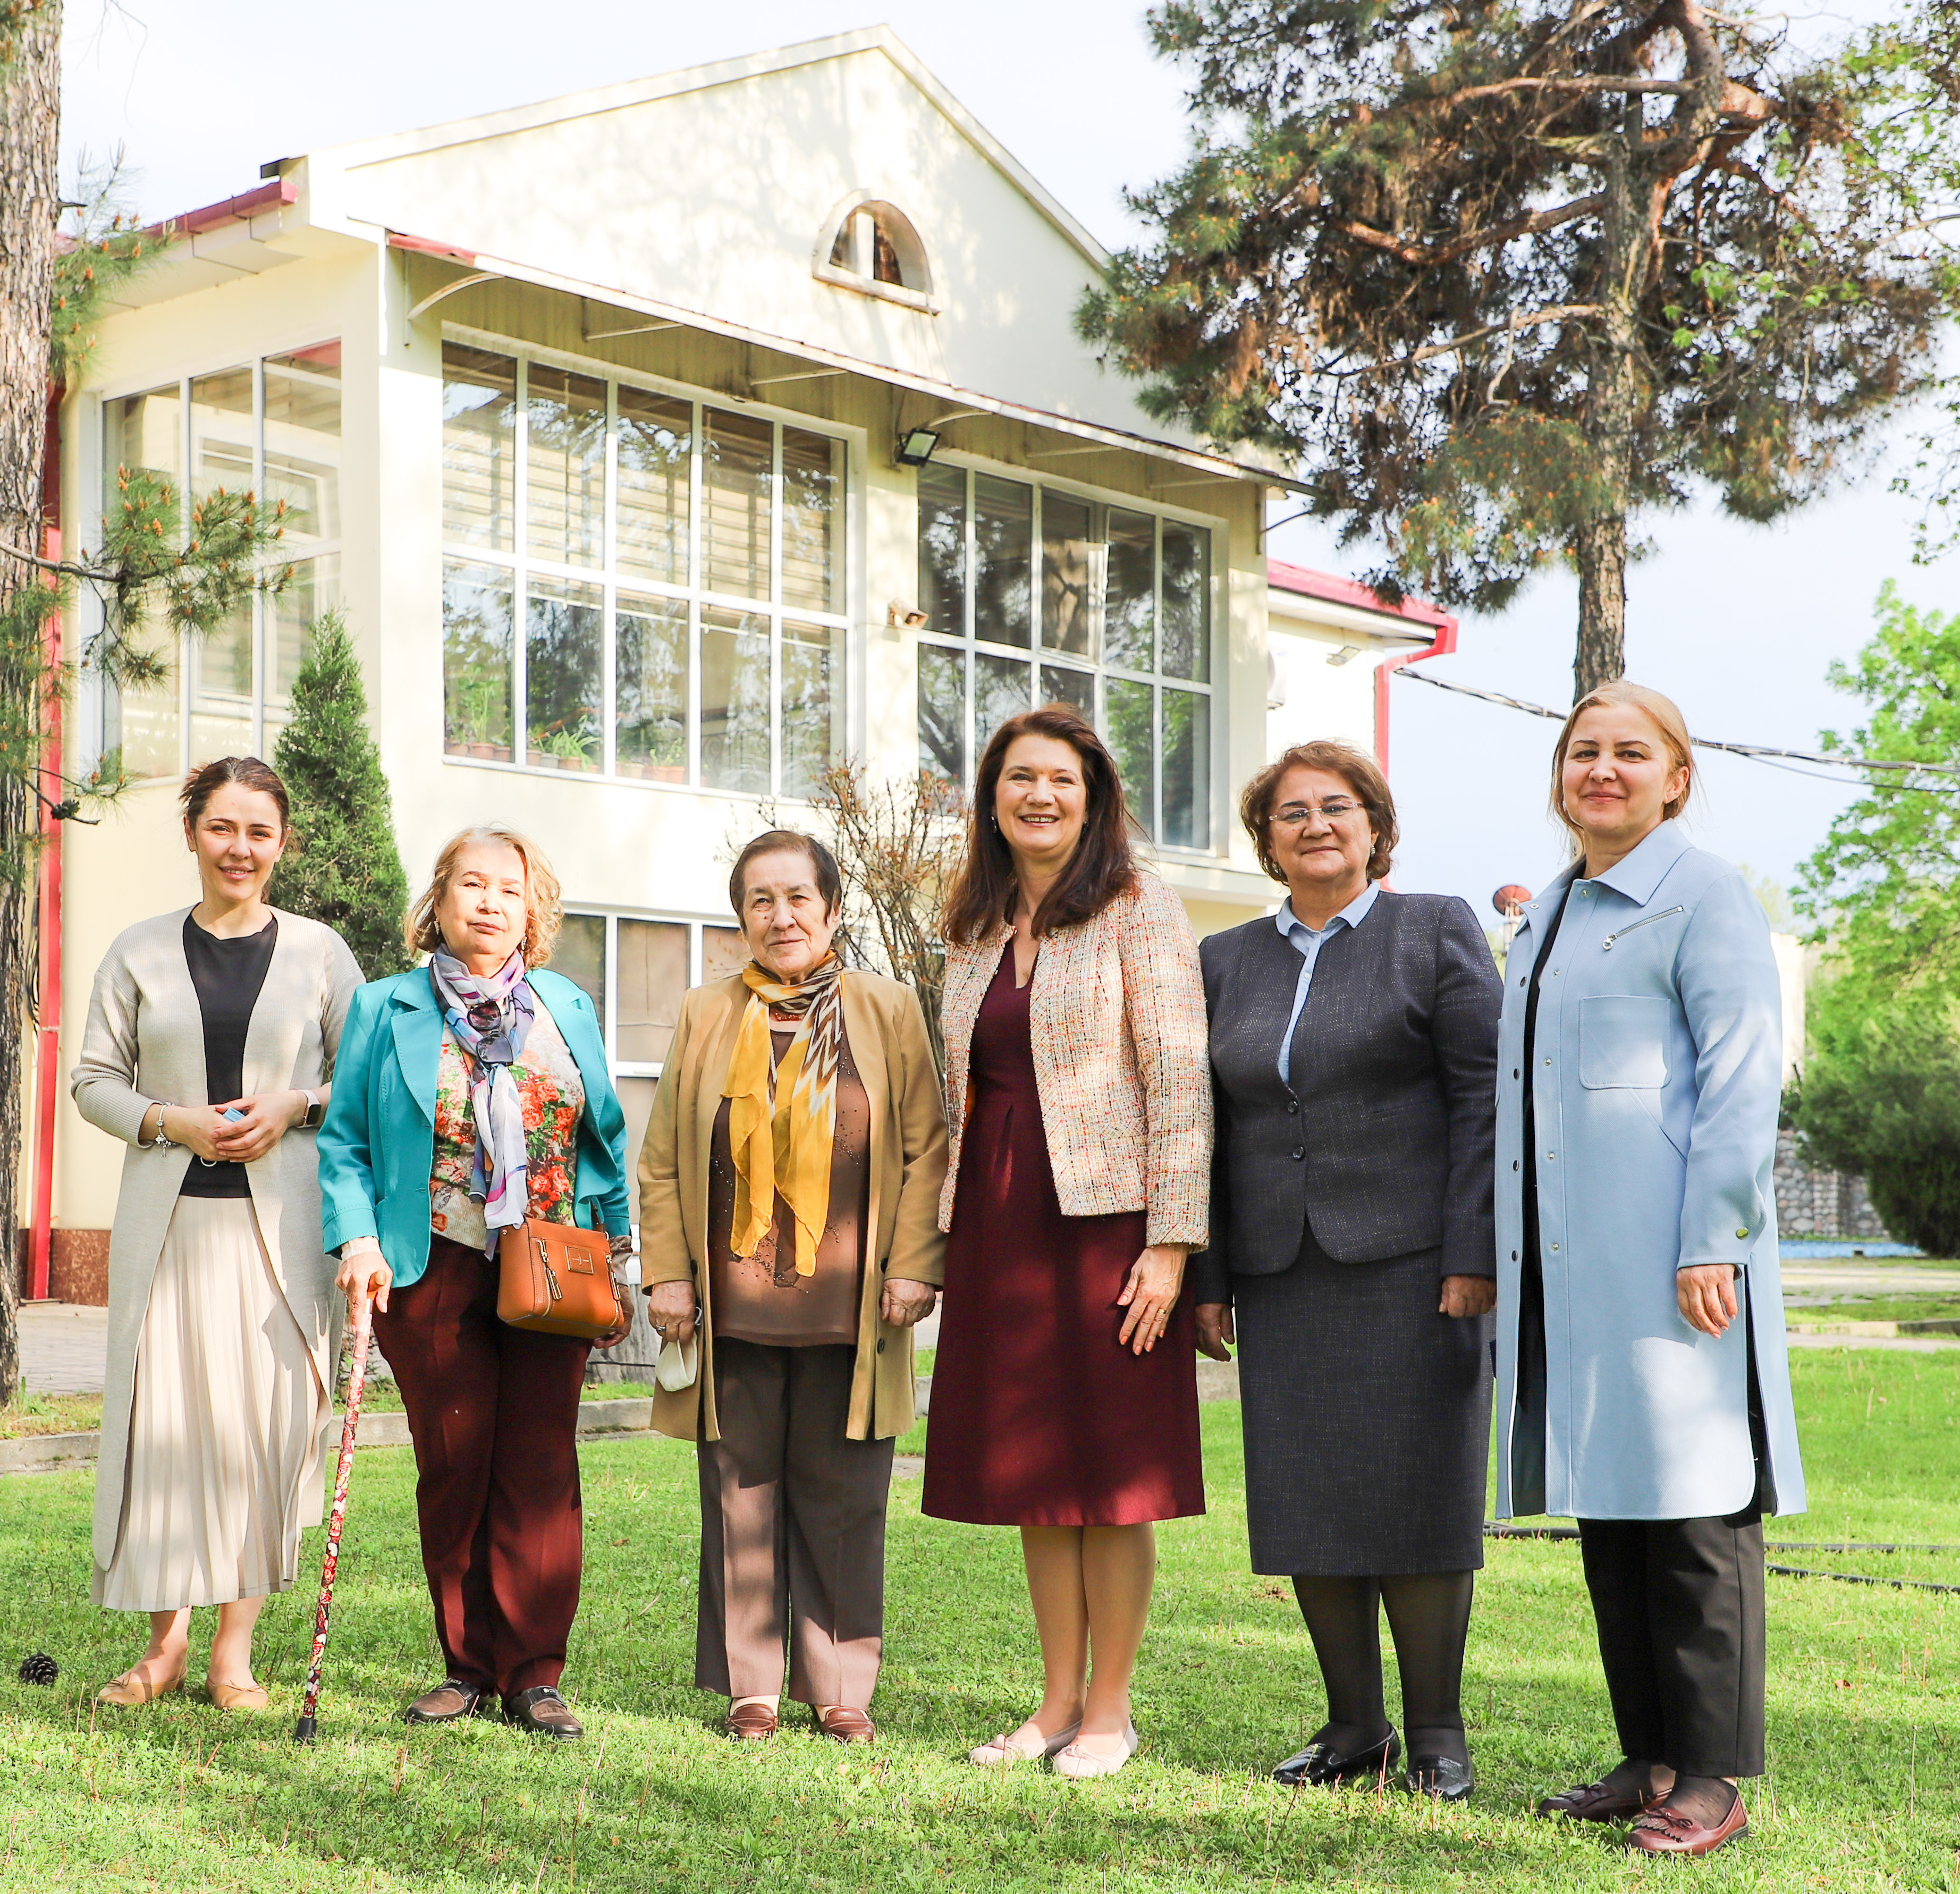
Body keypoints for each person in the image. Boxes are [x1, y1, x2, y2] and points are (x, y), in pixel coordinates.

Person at [1494, 681, 1805, 1857]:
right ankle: (1649, 1757)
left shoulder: (1704, 894)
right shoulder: (1550, 912)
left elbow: (1741, 1072)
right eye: (1583, 751)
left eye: (1631, 753)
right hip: (1570, 1265)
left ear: (1676, 779)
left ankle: (1711, 1777)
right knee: (1612, 1509)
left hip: (1676, 1259)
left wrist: (1712, 1238)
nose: (1602, 770)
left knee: (1693, 1509)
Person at [1192, 740, 1501, 1799]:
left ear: (1376, 827)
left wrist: (1472, 1250)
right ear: (1266, 840)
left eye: (1337, 807)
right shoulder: (1225, 959)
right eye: (1291, 812)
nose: (1315, 824)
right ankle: (1353, 1728)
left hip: (1417, 1268)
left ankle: (1439, 1735)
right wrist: (1212, 1276)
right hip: (1282, 1270)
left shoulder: (1434, 929)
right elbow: (1207, 1124)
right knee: (1308, 1497)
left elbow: (1483, 1099)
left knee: (1419, 1494)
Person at [920, 704, 1212, 1781]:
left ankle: (1111, 1711)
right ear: (991, 798)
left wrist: (1171, 1243)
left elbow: (1179, 1079)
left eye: (1061, 781)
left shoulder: (1140, 905)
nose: (1038, 796)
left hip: (1108, 1227)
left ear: (1093, 801)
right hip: (998, 1228)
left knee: (1111, 1474)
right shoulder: (973, 923)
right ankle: (1054, 1703)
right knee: (1035, 1475)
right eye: (1019, 778)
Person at [318, 822, 633, 1736]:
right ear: (440, 898)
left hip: (552, 1260)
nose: (490, 903)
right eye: (472, 884)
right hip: (433, 1262)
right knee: (454, 1465)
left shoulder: (565, 1004)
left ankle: (534, 1675)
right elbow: (345, 1141)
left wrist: (619, 1250)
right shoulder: (385, 1007)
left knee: (541, 1466)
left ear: (532, 909)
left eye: (509, 888)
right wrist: (358, 1241)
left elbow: (603, 1136)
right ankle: (466, 1668)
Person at [636, 831, 950, 1745]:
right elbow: (664, 1158)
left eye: (798, 897)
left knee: (845, 1497)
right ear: (741, 917)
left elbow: (925, 1147)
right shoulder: (706, 1012)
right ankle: (753, 1688)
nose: (781, 917)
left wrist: (913, 1263)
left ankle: (840, 1686)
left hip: (853, 1304)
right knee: (738, 1496)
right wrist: (667, 1273)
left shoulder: (885, 1009)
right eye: (760, 901)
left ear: (832, 909)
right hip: (731, 1302)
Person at [69, 756, 368, 1711]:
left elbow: (365, 1083)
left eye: (259, 832)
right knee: (168, 1431)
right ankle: (163, 1648)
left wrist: (296, 1105)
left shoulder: (321, 954)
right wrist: (172, 1122)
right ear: (193, 832)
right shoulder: (138, 951)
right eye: (222, 827)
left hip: (282, 1238)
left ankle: (232, 1655)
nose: (240, 848)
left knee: (262, 1431)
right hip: (169, 1235)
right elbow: (93, 1081)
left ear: (282, 844)